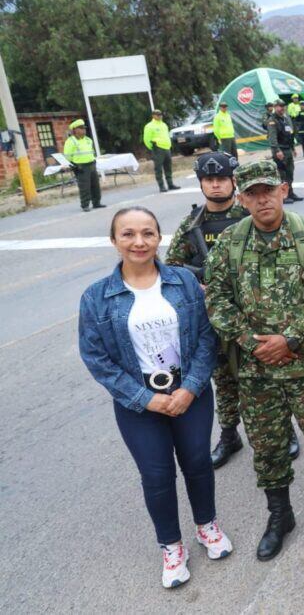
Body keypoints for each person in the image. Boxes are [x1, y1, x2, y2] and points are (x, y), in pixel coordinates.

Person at [204, 160, 304, 560]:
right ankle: (280, 516)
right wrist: (254, 344)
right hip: (256, 373)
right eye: (252, 193)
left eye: (268, 191)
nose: (262, 200)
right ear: (241, 198)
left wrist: (290, 338)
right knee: (268, 448)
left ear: (283, 190)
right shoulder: (230, 243)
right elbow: (216, 300)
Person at [79, 206, 231, 589]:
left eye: (147, 233)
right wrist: (144, 398)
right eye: (128, 234)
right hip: (138, 402)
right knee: (157, 474)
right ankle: (171, 546)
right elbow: (97, 358)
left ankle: (207, 525)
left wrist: (190, 387)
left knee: (197, 462)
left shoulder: (183, 282)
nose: (139, 241)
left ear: (159, 238)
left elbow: (206, 338)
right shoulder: (97, 297)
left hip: (189, 391)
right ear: (114, 241)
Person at [164, 152, 300, 467]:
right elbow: (172, 269)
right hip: (215, 315)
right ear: (201, 184)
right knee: (224, 379)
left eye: (221, 179)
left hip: (256, 313)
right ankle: (229, 433)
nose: (215, 185)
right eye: (209, 180)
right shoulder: (192, 224)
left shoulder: (249, 213)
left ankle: (284, 428)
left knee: (269, 374)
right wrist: (198, 287)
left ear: (233, 183)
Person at [63, 118, 104, 212]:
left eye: (84, 128)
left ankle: (96, 203)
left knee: (95, 185)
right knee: (85, 187)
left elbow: (91, 152)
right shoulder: (71, 141)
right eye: (81, 128)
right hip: (81, 167)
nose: (84, 130)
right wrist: (74, 165)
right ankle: (85, 205)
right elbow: (68, 156)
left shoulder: (88, 140)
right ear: (75, 130)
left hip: (91, 164)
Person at [267, 99, 304, 204]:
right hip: (280, 150)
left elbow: (289, 134)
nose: (282, 108)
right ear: (275, 107)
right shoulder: (272, 120)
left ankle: (290, 193)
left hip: (287, 149)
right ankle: (283, 196)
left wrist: (293, 148)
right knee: (282, 174)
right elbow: (272, 138)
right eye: (280, 106)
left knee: (290, 173)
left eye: (283, 106)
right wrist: (277, 150)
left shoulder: (285, 118)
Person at [143, 110, 179, 192]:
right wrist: (152, 147)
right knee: (158, 168)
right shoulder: (149, 126)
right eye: (158, 115)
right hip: (157, 148)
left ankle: (170, 184)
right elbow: (146, 139)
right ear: (153, 116)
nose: (160, 116)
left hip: (167, 148)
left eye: (161, 115)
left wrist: (169, 145)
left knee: (168, 167)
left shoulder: (164, 125)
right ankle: (161, 186)